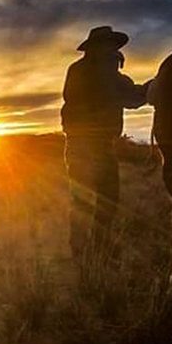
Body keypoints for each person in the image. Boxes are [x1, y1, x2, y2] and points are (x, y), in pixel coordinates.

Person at [61, 26, 149, 257]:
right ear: (100, 48)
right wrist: (151, 87)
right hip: (95, 145)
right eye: (109, 46)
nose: (113, 50)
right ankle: (95, 250)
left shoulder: (79, 70)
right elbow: (132, 99)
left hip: (81, 144)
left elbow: (129, 97)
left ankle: (85, 250)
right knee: (105, 199)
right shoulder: (107, 75)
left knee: (85, 200)